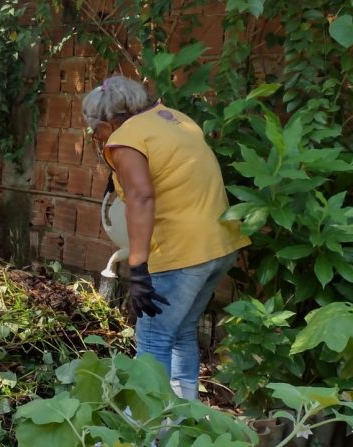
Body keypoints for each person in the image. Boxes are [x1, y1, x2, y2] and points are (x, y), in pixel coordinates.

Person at [81, 75, 250, 400]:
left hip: (182, 252)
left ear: (109, 121)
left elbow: (142, 198)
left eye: (96, 130)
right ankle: (181, 418)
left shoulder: (127, 138)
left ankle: (147, 429)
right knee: (182, 330)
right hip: (219, 244)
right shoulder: (172, 119)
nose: (97, 137)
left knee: (154, 340)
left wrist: (139, 268)